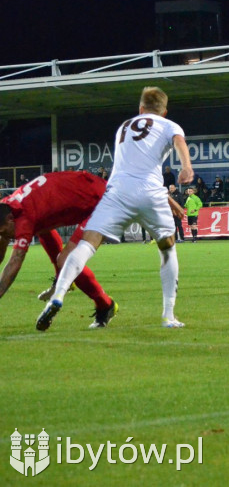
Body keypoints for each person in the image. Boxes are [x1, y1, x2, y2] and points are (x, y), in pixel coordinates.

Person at [37, 86, 193, 331]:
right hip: (150, 193)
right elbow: (179, 141)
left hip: (117, 192)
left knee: (87, 244)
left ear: (140, 108)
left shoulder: (124, 127)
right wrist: (186, 167)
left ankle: (59, 294)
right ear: (164, 111)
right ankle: (168, 315)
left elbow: (132, 167)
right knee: (167, 249)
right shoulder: (169, 125)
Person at [0, 171, 117, 328]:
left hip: (101, 201)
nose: (6, 237)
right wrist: (4, 236)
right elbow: (4, 239)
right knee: (42, 230)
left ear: (10, 220)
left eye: (4, 232)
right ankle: (61, 279)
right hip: (85, 187)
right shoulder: (8, 207)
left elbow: (15, 261)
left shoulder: (23, 218)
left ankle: (105, 305)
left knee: (65, 260)